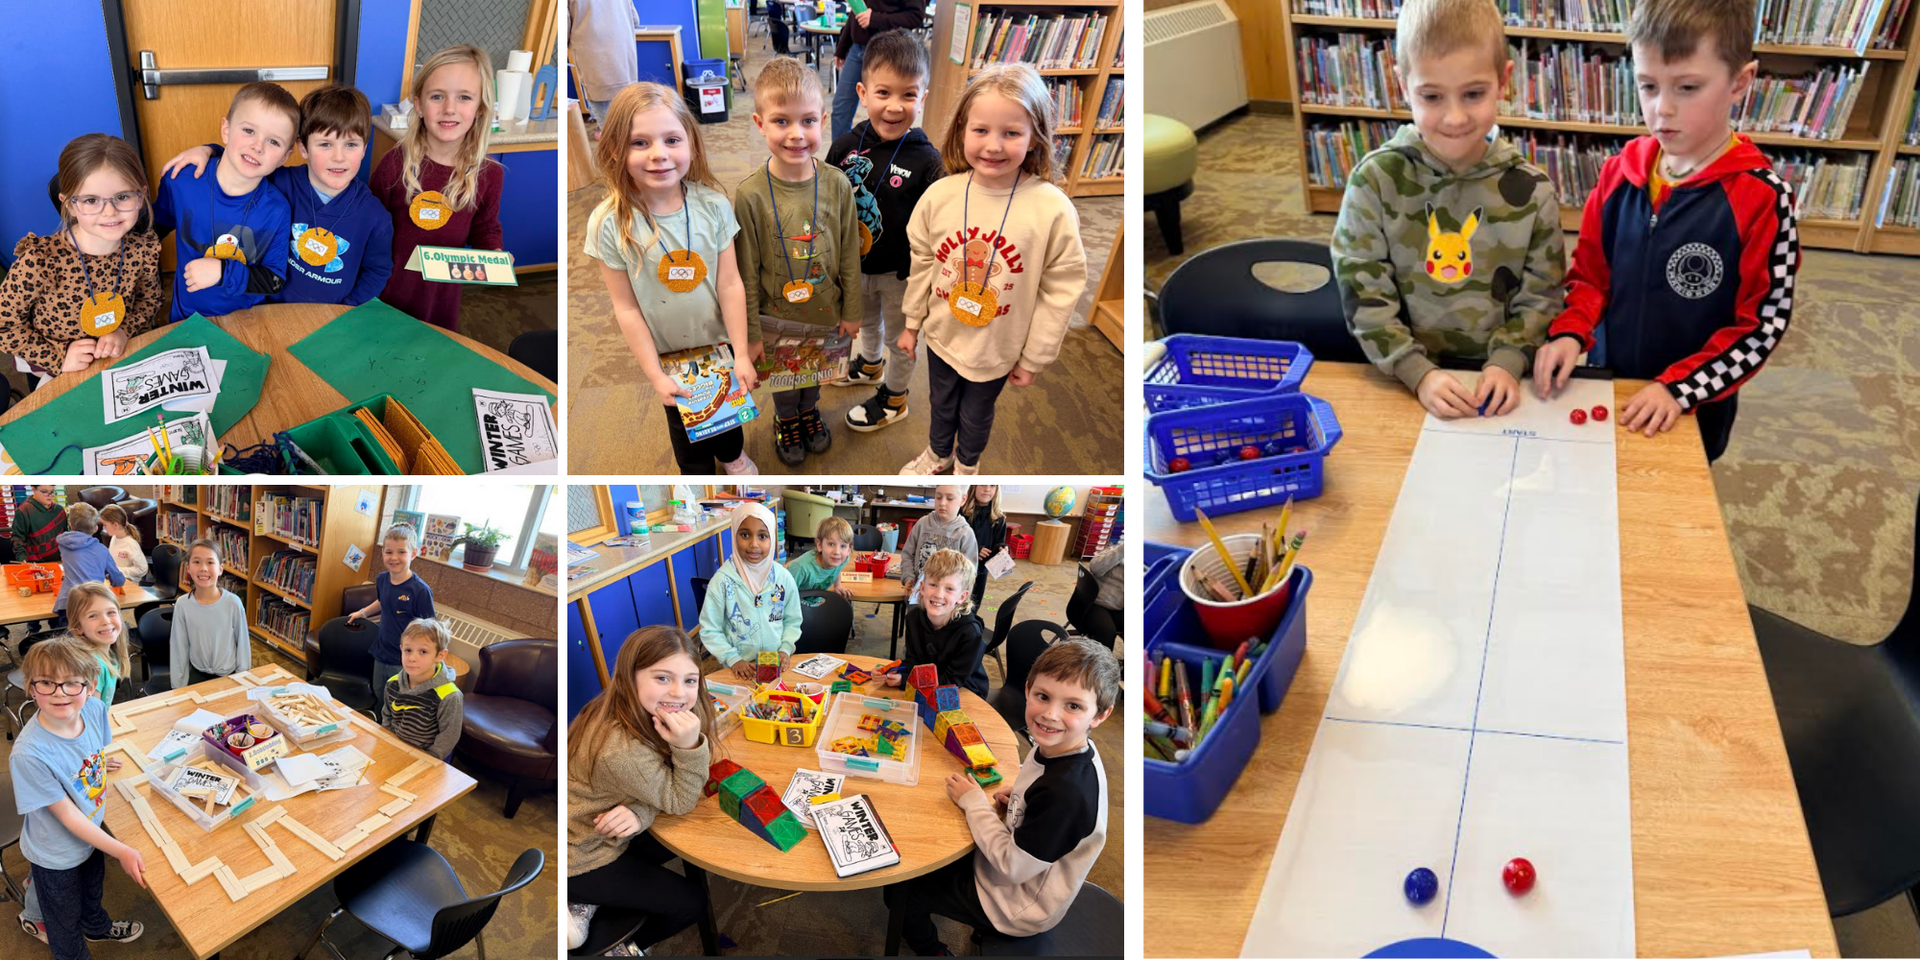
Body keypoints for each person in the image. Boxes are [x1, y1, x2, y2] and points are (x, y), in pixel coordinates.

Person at [1533, 0, 1796, 462]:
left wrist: (1681, 389)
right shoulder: (1620, 173)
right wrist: (1571, 332)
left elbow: (1759, 328)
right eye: (1648, 86)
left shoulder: (1763, 200)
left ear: (1740, 82)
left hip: (1694, 403)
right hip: (1613, 381)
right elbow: (1591, 275)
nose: (1662, 110)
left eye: (1688, 87)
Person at [1330, 0, 1565, 421]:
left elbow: (1541, 296)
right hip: (1405, 382)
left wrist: (1508, 360)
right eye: (1432, 96)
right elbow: (1364, 295)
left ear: (1503, 81)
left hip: (1503, 383)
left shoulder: (1533, 191)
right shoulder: (1375, 182)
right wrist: (1417, 373)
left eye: (1474, 94)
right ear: (1403, 85)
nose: (1455, 117)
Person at [898, 63, 1087, 475]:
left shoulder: (1051, 209)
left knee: (977, 416)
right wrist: (912, 323)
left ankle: (967, 465)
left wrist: (1034, 356)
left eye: (1012, 133)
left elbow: (1062, 289)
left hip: (998, 347)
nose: (993, 146)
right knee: (940, 403)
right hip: (944, 335)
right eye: (981, 130)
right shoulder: (940, 195)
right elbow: (922, 261)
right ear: (962, 128)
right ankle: (938, 453)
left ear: (1035, 137)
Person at [883, 637, 1117, 955]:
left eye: (1072, 705)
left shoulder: (1068, 794)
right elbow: (1039, 787)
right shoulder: (1062, 745)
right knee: (927, 848)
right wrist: (1020, 796)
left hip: (1016, 905)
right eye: (1043, 696)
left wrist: (974, 803)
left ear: (1100, 715)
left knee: (899, 890)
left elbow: (1013, 868)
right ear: (1028, 689)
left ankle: (931, 950)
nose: (1050, 714)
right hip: (1018, 869)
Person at [585, 82, 759, 475]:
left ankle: (734, 458)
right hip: (669, 359)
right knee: (687, 439)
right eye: (640, 143)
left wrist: (742, 352)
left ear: (691, 144)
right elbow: (626, 307)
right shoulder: (609, 224)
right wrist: (654, 374)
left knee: (728, 420)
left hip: (719, 346)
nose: (659, 155)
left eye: (671, 139)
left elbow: (731, 284)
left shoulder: (712, 206)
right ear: (614, 149)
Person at [733, 57, 863, 466]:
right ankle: (786, 419)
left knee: (816, 375)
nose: (796, 134)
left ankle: (809, 412)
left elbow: (847, 254)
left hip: (826, 312)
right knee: (785, 383)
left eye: (807, 121)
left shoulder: (837, 184)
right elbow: (746, 272)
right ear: (759, 124)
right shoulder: (750, 195)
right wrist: (750, 333)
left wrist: (853, 309)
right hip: (775, 317)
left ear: (823, 120)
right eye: (781, 122)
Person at [161, 85, 395, 307]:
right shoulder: (280, 182)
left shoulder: (375, 217)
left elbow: (377, 271)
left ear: (365, 148)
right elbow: (244, 164)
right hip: (266, 310)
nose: (338, 157)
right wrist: (210, 150)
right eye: (325, 144)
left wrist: (347, 309)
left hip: (330, 318)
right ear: (303, 149)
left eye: (351, 145)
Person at [565, 626, 716, 953]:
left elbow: (658, 784)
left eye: (690, 680)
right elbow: (680, 799)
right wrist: (690, 746)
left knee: (678, 842)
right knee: (691, 902)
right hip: (582, 854)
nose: (679, 692)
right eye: (662, 678)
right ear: (630, 677)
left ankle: (591, 901)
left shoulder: (624, 706)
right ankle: (622, 947)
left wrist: (641, 810)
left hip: (599, 826)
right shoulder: (620, 750)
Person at [827, 31, 946, 434]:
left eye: (909, 95)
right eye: (883, 93)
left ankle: (895, 398)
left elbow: (938, 227)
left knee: (902, 339)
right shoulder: (843, 147)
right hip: (855, 264)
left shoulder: (929, 160)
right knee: (867, 323)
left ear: (923, 97)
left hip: (902, 273)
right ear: (862, 92)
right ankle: (871, 365)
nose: (895, 107)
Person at [10, 637, 147, 960]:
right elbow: (68, 818)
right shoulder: (29, 755)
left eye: (71, 683)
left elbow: (92, 752)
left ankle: (96, 926)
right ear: (31, 688)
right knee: (62, 920)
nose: (59, 693)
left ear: (90, 686)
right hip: (55, 854)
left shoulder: (96, 710)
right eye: (47, 683)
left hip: (92, 833)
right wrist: (121, 849)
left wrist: (100, 765)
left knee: (91, 890)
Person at [0, 134, 161, 386]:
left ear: (140, 196)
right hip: (54, 370)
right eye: (91, 200)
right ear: (70, 205)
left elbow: (148, 301)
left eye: (122, 197)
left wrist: (124, 330)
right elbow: (4, 325)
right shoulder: (40, 260)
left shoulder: (142, 249)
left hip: (116, 358)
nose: (109, 211)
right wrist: (58, 357)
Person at [371, 45, 504, 330]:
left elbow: (485, 228)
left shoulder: (489, 175)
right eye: (437, 96)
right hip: (386, 290)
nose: (449, 109)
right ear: (418, 104)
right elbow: (368, 225)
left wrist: (492, 252)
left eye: (464, 97)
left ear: (481, 108)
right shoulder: (395, 164)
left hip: (440, 299)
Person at [152, 81, 298, 322]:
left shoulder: (277, 209)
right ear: (226, 129)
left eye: (273, 141)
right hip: (186, 319)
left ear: (285, 157)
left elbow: (274, 280)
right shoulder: (182, 180)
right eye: (249, 131)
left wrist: (223, 271)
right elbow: (152, 232)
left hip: (248, 321)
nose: (257, 146)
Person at [697, 504, 801, 680]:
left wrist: (785, 648)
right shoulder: (722, 581)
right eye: (745, 535)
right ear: (734, 535)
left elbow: (793, 620)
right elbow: (710, 630)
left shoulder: (783, 578)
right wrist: (732, 658)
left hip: (776, 664)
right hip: (738, 668)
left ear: (772, 539)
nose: (754, 544)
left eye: (762, 536)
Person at [345, 523, 436, 712]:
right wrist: (361, 613)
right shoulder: (381, 579)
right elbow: (382, 601)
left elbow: (430, 629)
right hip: (382, 652)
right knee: (379, 693)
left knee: (398, 701)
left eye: (401, 552)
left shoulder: (420, 590)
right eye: (388, 552)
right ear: (382, 553)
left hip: (404, 660)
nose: (394, 558)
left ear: (413, 554)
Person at [883, 547, 988, 697]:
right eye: (933, 585)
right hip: (928, 684)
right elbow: (914, 660)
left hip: (964, 691)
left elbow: (952, 681)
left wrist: (905, 680)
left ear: (962, 597)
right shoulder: (913, 619)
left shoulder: (970, 633)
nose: (939, 594)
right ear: (923, 588)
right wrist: (894, 671)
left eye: (949, 589)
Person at [830, 0, 930, 140]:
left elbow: (915, 16)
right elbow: (856, 13)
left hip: (889, 53)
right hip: (858, 49)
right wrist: (842, 47)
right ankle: (841, 157)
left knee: (888, 111)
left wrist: (875, 19)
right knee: (841, 107)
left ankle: (888, 156)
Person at [168, 538, 249, 688]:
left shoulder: (233, 603)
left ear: (220, 569)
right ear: (188, 568)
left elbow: (243, 647)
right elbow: (179, 649)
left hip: (229, 678)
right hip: (197, 675)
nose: (203, 568)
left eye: (210, 562)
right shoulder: (183, 604)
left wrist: (242, 684)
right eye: (197, 562)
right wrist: (178, 688)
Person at [380, 618, 464, 759]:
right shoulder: (392, 684)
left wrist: (428, 759)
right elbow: (387, 717)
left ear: (440, 655)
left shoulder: (450, 696)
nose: (412, 658)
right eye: (408, 650)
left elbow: (448, 735)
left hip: (429, 756)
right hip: (398, 747)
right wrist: (389, 743)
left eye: (423, 652)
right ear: (401, 649)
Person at [568, 0, 642, 131]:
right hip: (623, 61)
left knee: (609, 132)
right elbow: (635, 20)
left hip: (594, 64)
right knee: (630, 123)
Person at [893, 484, 976, 599]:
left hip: (945, 600)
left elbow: (969, 573)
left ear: (963, 500)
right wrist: (908, 577)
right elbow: (907, 554)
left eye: (950, 498)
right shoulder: (922, 524)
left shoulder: (965, 534)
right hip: (917, 593)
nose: (942, 503)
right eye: (938, 497)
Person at [52, 504, 123, 623]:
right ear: (96, 528)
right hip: (94, 605)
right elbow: (118, 580)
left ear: (71, 525)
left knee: (66, 638)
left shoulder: (63, 544)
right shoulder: (102, 550)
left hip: (68, 603)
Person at [65, 582, 130, 707]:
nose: (105, 621)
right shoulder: (94, 667)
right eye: (93, 616)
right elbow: (90, 716)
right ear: (78, 627)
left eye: (111, 612)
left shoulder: (109, 654)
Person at [1069, 541, 1123, 651]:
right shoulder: (1115, 550)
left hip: (1120, 606)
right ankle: (1102, 665)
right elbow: (1095, 568)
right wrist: (1122, 550)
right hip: (1095, 603)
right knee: (1106, 632)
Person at [961, 483, 1006, 611]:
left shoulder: (999, 518)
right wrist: (975, 549)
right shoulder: (962, 512)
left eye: (992, 486)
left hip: (981, 570)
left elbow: (999, 542)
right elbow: (955, 540)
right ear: (974, 487)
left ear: (997, 490)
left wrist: (1002, 548)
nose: (987, 489)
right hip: (960, 566)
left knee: (974, 604)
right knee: (957, 600)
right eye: (982, 484)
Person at [785, 515, 855, 597]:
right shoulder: (801, 569)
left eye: (843, 546)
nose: (837, 552)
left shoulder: (841, 560)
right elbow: (782, 595)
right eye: (831, 544)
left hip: (816, 605)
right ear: (819, 545)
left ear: (848, 550)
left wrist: (838, 585)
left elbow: (837, 569)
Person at [96, 505, 147, 583]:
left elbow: (142, 569)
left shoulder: (130, 544)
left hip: (128, 583)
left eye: (105, 525)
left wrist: (118, 570)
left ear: (115, 525)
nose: (103, 528)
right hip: (115, 580)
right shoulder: (114, 538)